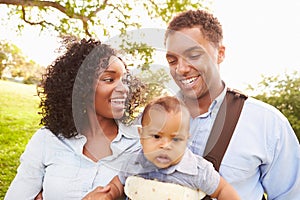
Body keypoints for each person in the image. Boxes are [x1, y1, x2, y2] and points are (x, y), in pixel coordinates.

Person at [164, 9, 300, 199]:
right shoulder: (152, 119)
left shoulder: (267, 123)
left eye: (194, 56)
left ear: (220, 54)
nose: (181, 69)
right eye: (172, 60)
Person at [4, 38, 144, 200]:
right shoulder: (48, 139)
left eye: (125, 81)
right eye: (109, 79)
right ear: (81, 88)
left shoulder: (140, 144)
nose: (124, 89)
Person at [83, 96, 240, 200]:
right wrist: (109, 194)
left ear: (187, 140)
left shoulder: (197, 170)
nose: (165, 145)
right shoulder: (134, 162)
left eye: (176, 139)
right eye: (156, 137)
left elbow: (222, 190)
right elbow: (118, 183)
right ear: (141, 135)